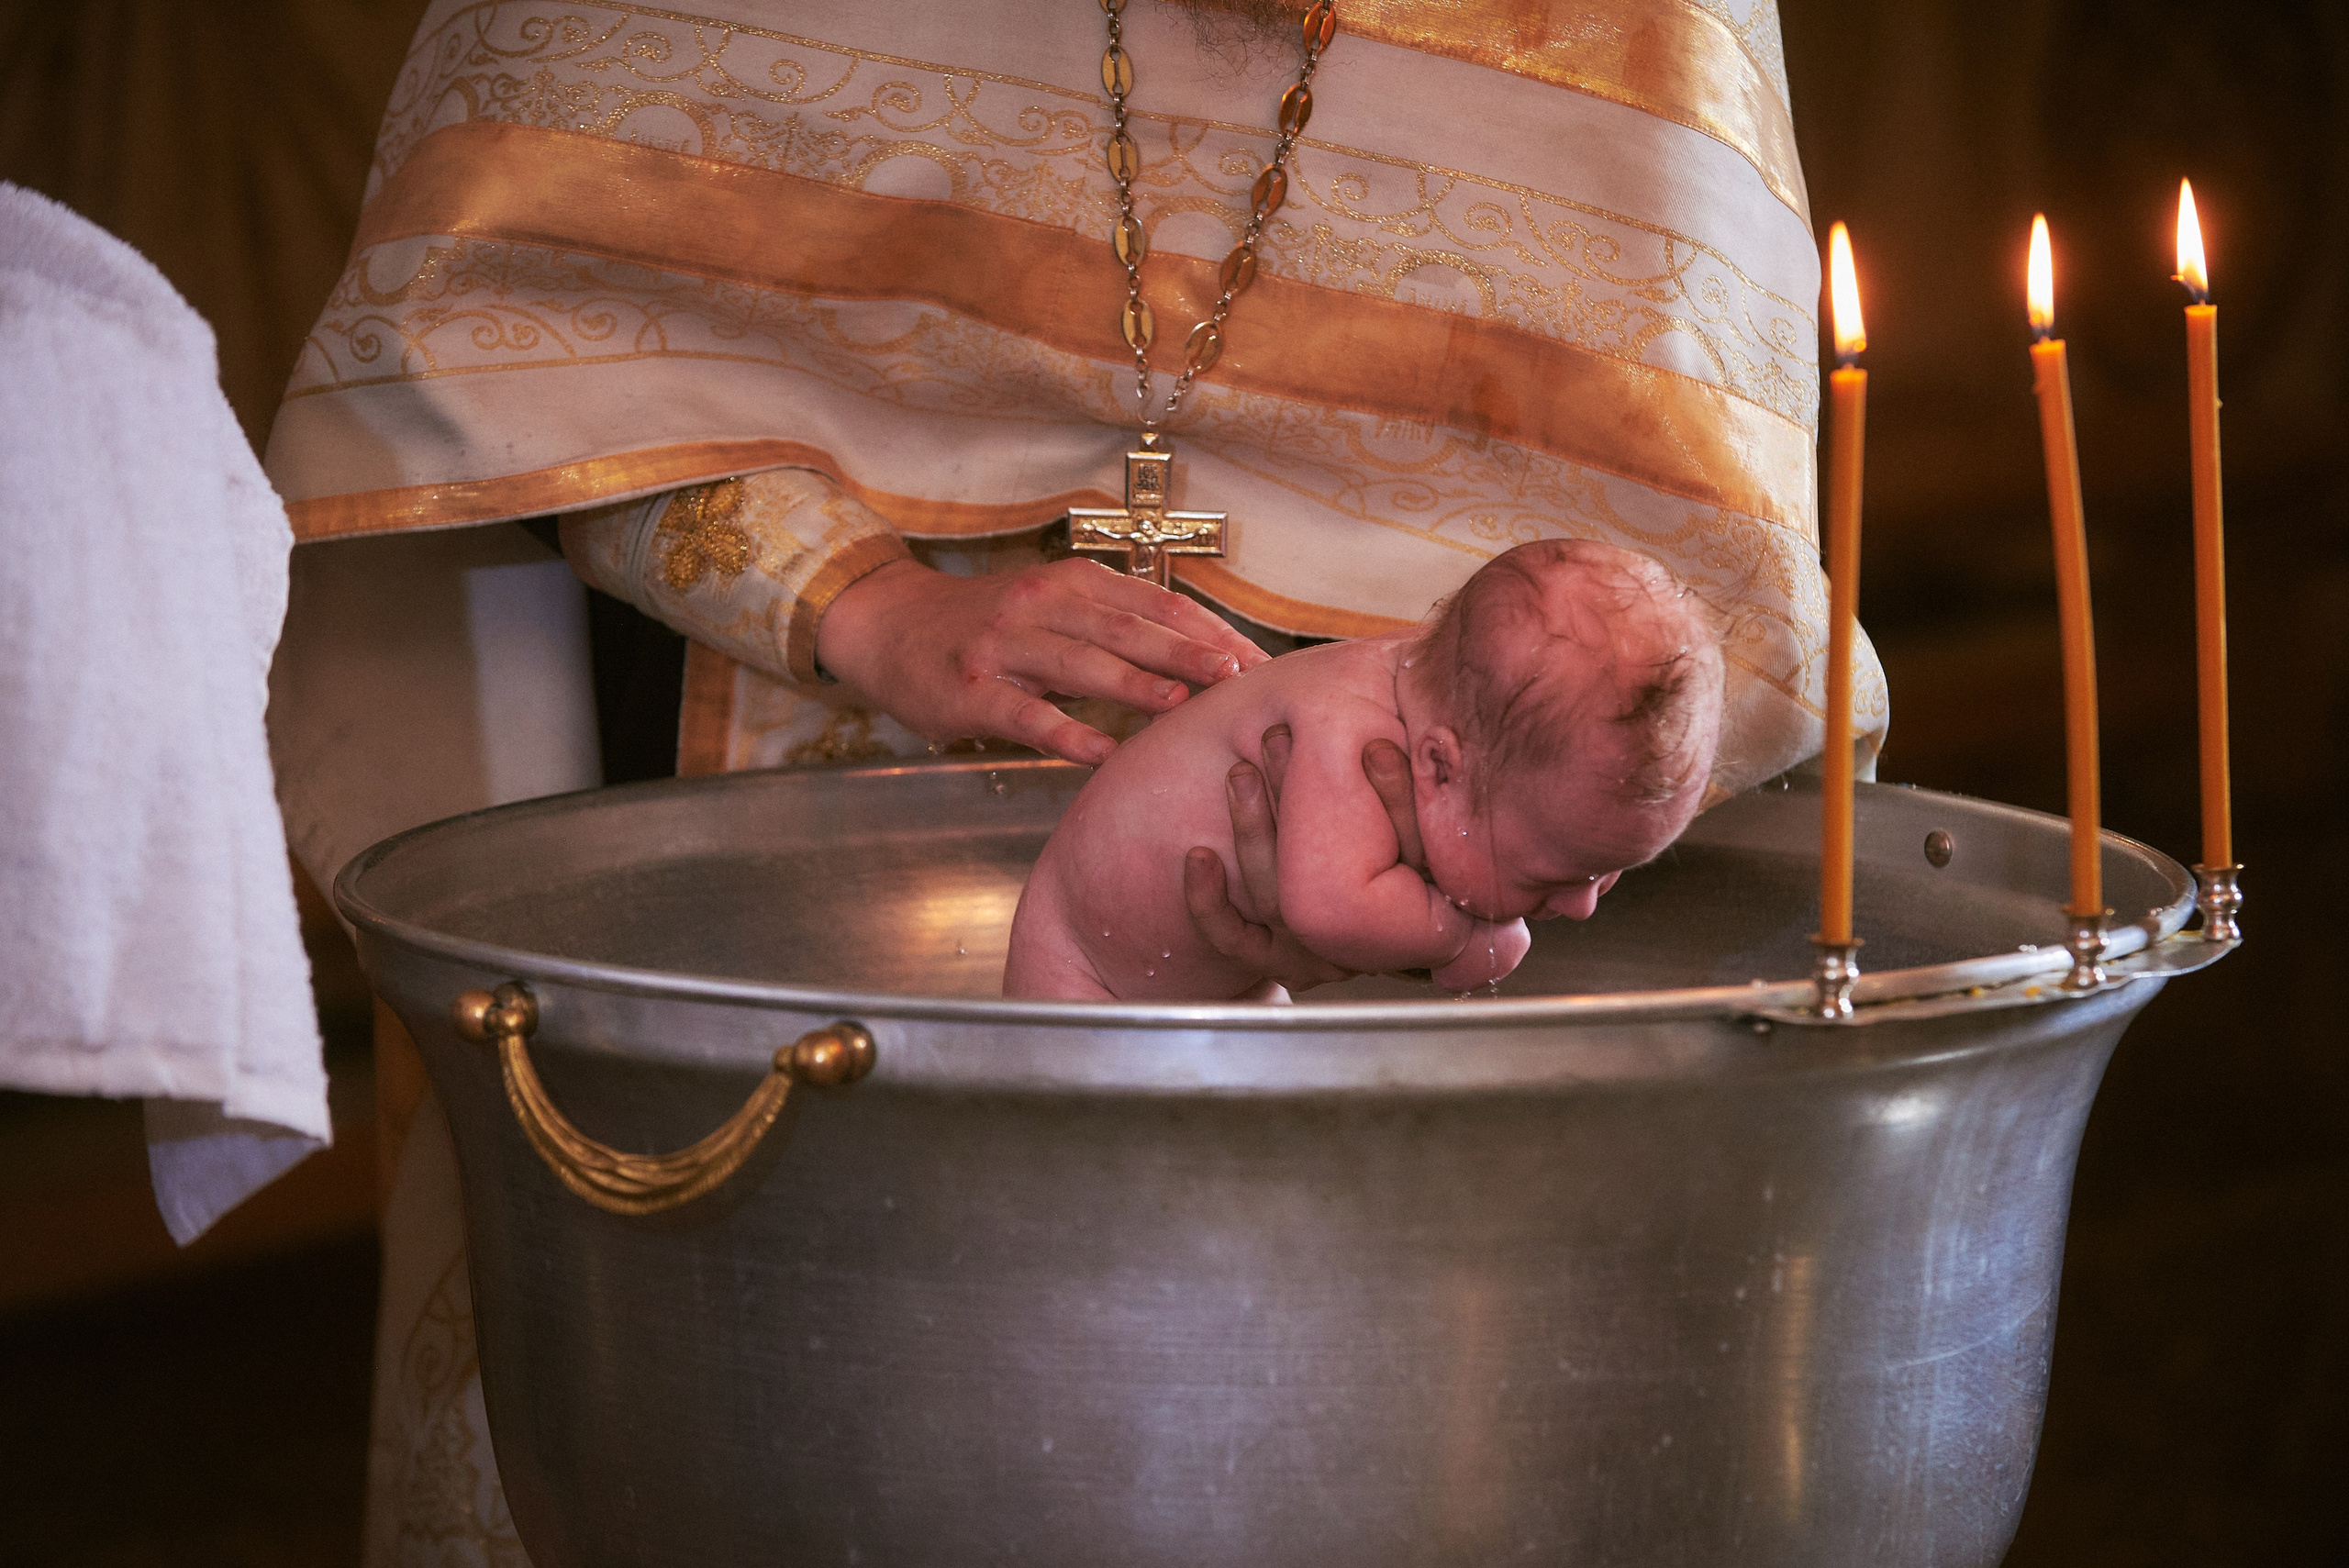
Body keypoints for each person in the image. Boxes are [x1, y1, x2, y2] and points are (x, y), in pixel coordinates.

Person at [261, 3, 1885, 1559]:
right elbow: (500, 345)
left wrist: (1429, 790)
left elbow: (1708, 613)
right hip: (766, 805)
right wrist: (867, 606)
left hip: (1402, 1041)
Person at [1006, 540, 1722, 1000]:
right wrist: (1475, 938)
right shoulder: (1343, 723)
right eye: (1552, 874)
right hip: (1080, 968)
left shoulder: (1452, 708)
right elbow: (1327, 907)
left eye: (1608, 871)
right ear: (1441, 767)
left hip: (1228, 983)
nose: (1584, 905)